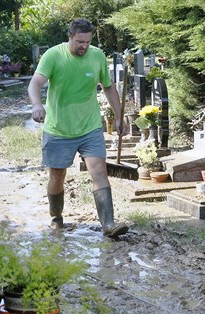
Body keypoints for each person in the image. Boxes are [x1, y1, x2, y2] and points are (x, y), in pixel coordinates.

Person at [28, 18, 128, 238]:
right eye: (80, 42)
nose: (84, 46)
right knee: (57, 177)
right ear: (70, 37)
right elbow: (35, 83)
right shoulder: (53, 55)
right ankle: (56, 219)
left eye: (88, 42)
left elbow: (109, 88)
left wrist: (119, 116)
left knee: (99, 170)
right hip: (58, 129)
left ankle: (108, 224)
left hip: (89, 126)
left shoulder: (97, 56)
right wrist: (36, 104)